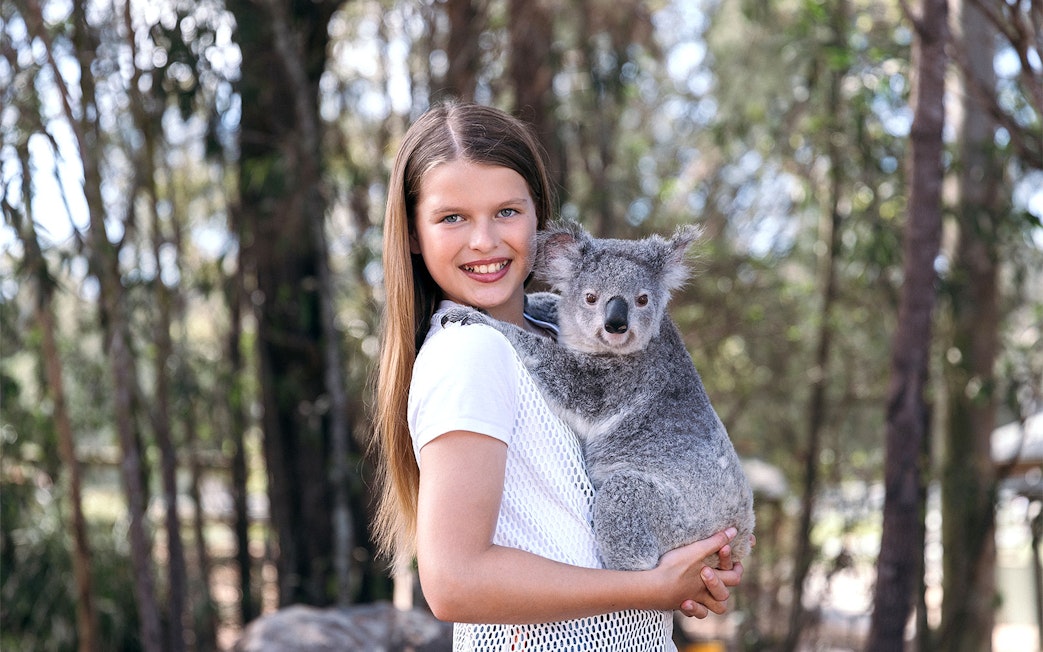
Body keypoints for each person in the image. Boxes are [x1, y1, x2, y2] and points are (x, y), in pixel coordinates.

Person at [371, 102, 745, 651]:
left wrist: (694, 562)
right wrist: (650, 588)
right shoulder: (469, 348)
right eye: (452, 217)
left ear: (541, 222)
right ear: (411, 233)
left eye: (506, 212)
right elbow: (453, 583)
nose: (484, 241)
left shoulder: (557, 325)